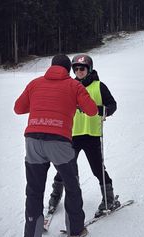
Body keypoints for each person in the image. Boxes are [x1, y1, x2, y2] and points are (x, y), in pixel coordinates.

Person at [14, 54, 98, 237]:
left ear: (51, 67)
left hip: (33, 139)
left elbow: (18, 108)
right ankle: (75, 230)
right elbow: (92, 110)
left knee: (34, 190)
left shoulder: (35, 83)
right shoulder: (74, 85)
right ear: (69, 69)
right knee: (71, 185)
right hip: (59, 141)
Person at [48, 54, 118, 216]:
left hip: (92, 135)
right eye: (76, 69)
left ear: (89, 69)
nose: (79, 71)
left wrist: (100, 110)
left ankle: (109, 198)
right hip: (71, 135)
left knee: (97, 168)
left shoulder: (99, 86)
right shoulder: (70, 85)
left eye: (82, 68)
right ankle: (55, 196)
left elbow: (112, 105)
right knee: (64, 168)